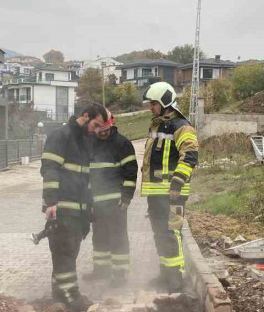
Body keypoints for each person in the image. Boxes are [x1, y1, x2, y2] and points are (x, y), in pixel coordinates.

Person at [41, 103, 108, 311]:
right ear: (85, 116)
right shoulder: (60, 136)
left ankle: (59, 296)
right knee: (65, 252)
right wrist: (51, 202)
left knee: (69, 253)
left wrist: (89, 207)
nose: (97, 131)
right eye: (95, 124)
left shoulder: (85, 141)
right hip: (62, 208)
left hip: (78, 210)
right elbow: (49, 170)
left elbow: (85, 179)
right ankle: (71, 296)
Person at [141, 82, 199, 293]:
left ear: (165, 102)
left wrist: (177, 181)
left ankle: (176, 278)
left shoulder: (181, 125)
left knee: (171, 232)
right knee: (159, 234)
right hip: (156, 193)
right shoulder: (157, 126)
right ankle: (165, 273)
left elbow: (190, 155)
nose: (151, 107)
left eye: (154, 103)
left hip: (173, 192)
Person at [84, 111, 138, 287]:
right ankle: (101, 270)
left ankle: (120, 274)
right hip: (97, 202)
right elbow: (87, 175)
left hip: (116, 202)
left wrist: (127, 197)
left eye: (105, 128)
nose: (102, 132)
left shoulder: (122, 143)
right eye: (99, 128)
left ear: (112, 124)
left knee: (118, 237)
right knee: (99, 237)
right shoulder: (91, 143)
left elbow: (130, 172)